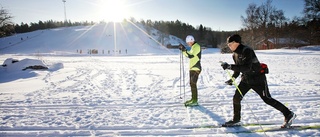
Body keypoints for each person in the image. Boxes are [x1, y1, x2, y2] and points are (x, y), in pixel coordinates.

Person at [220, 34, 296, 128]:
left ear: (236, 42)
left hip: (258, 79)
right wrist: (232, 79)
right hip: (246, 80)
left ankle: (288, 114)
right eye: (228, 44)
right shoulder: (234, 54)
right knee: (236, 97)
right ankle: (236, 120)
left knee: (267, 99)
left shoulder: (247, 50)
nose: (228, 46)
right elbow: (238, 69)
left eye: (230, 43)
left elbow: (247, 67)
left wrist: (230, 66)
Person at [179, 35, 202, 106]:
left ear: (191, 41)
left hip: (196, 68)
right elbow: (188, 55)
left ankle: (195, 100)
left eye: (188, 42)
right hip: (192, 68)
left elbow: (191, 55)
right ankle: (193, 99)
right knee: (192, 84)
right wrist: (183, 50)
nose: (188, 44)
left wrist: (184, 50)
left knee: (193, 83)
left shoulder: (197, 46)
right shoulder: (193, 47)